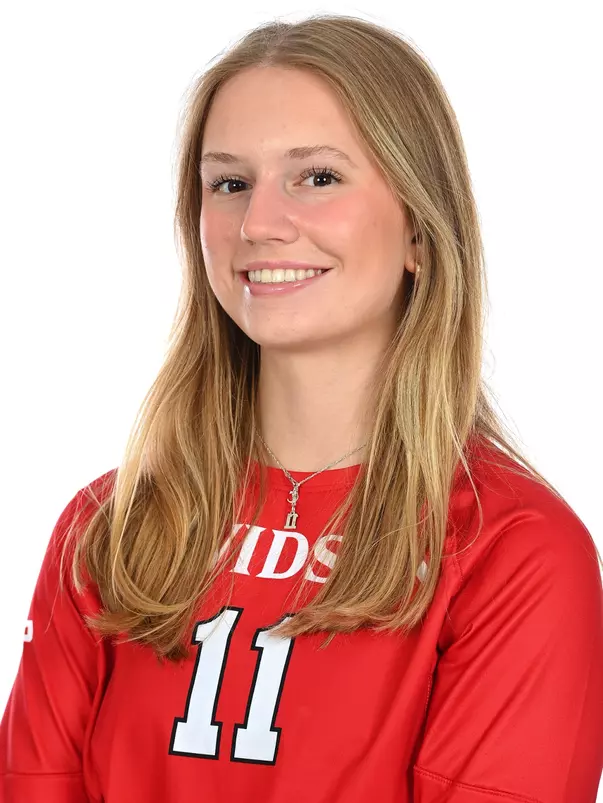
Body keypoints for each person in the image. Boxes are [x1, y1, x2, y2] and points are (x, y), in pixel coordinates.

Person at [1, 13, 602, 803]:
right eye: (229, 183)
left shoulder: (513, 554)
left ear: (420, 228)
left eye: (316, 177)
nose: (258, 224)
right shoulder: (113, 527)